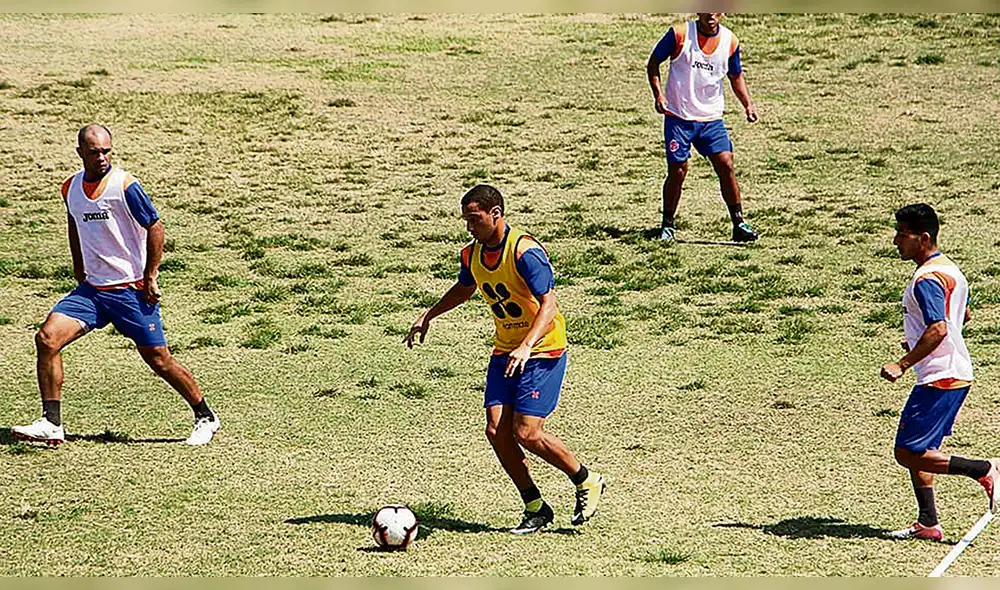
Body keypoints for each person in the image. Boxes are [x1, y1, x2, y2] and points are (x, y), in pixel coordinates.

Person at [404, 184, 605, 534]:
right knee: (497, 431)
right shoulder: (471, 255)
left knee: (526, 432)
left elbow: (549, 305)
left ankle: (586, 480)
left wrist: (527, 344)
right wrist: (430, 314)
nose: (469, 226)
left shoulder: (525, 252)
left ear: (496, 214)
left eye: (474, 219)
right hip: (505, 350)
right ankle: (535, 507)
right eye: (466, 219)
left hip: (542, 350)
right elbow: (465, 288)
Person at [11, 124, 220, 447]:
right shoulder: (71, 188)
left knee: (159, 359)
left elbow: (155, 226)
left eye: (107, 151)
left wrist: (151, 275)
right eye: (94, 152)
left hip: (131, 290)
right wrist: (78, 265)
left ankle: (205, 415)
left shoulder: (125, 186)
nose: (102, 158)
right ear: (80, 152)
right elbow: (74, 222)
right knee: (47, 339)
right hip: (93, 291)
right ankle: (52, 423)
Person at [881, 204, 998, 541]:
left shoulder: (927, 278)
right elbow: (965, 316)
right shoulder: (950, 270)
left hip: (940, 375)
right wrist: (920, 343)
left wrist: (903, 364)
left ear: (924, 237)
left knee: (907, 452)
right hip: (952, 371)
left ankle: (985, 469)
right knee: (923, 448)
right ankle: (928, 523)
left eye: (903, 235)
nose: (896, 241)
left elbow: (939, 328)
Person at [646, 12, 759, 243]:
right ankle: (667, 225)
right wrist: (658, 95)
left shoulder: (730, 41)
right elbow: (653, 62)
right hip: (679, 117)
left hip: (711, 119)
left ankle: (739, 224)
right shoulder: (679, 34)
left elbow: (735, 75)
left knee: (726, 163)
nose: (711, 14)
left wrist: (748, 104)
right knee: (678, 170)